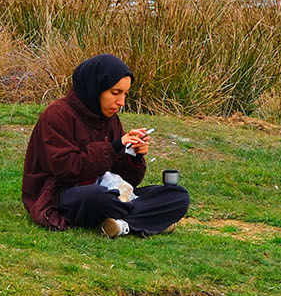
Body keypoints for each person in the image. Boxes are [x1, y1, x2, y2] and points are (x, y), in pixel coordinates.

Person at [22, 53, 190, 237]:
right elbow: (65, 168)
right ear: (95, 88)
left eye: (125, 94)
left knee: (178, 196)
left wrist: (133, 154)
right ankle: (149, 221)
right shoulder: (57, 115)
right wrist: (115, 147)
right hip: (62, 193)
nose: (121, 102)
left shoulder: (109, 119)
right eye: (115, 93)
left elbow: (128, 181)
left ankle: (121, 224)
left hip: (109, 191)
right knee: (98, 198)